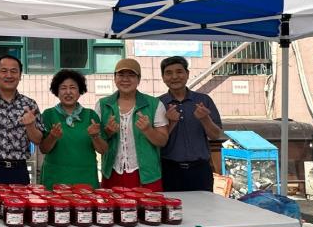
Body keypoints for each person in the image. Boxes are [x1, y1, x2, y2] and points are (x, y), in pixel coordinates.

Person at [96, 58, 168, 191]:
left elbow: (162, 141)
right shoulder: (102, 105)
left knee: (149, 205)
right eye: (121, 75)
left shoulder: (154, 104)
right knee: (112, 205)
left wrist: (148, 130)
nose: (125, 79)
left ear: (139, 79)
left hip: (146, 175)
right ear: (115, 78)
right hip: (111, 173)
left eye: (131, 75)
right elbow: (98, 145)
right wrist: (107, 132)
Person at [0, 55, 44, 184]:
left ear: (20, 76)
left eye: (14, 71)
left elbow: (38, 140)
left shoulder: (30, 105)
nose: (9, 75)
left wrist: (30, 126)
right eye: (4, 71)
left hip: (19, 170)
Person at [159, 56, 223, 192]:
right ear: (163, 77)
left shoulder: (204, 100)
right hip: (169, 170)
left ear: (187, 74)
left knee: (203, 205)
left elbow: (216, 135)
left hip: (200, 170)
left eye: (179, 71)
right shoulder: (158, 104)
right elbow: (157, 142)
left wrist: (205, 119)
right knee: (172, 205)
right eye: (168, 73)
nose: (174, 77)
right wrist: (170, 123)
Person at [39, 69, 107, 189]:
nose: (68, 92)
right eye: (63, 88)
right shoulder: (48, 114)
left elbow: (103, 150)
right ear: (57, 92)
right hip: (55, 178)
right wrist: (52, 137)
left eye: (73, 87)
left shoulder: (90, 115)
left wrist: (95, 136)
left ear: (80, 91)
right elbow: (43, 149)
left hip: (85, 178)